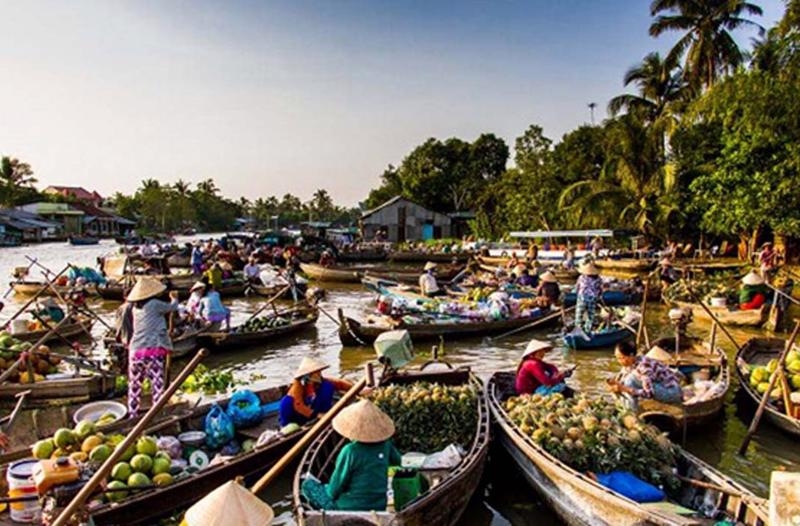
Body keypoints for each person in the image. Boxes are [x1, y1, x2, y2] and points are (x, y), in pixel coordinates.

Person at [301, 399, 401, 512]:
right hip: (380, 504)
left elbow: (333, 491)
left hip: (349, 507)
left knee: (307, 485)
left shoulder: (350, 451)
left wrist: (326, 488)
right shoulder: (385, 445)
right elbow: (397, 462)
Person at [126, 277, 179, 418]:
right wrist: (174, 298)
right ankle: (157, 415)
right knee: (157, 386)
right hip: (152, 351)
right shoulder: (154, 304)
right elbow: (173, 307)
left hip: (135, 351)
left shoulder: (135, 308)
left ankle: (133, 415)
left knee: (135, 386)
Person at [279, 357, 353, 427]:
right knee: (288, 402)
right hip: (296, 414)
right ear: (308, 375)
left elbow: (339, 383)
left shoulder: (319, 381)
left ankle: (324, 414)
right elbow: (299, 406)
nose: (319, 374)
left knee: (327, 386)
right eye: (316, 373)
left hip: (312, 407)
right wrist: (317, 415)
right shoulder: (298, 385)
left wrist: (355, 388)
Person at [608, 341, 683, 404]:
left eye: (621, 358)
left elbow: (649, 393)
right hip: (661, 386)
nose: (619, 361)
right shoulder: (633, 362)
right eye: (617, 358)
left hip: (672, 393)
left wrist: (624, 389)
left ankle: (632, 411)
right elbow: (623, 374)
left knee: (630, 380)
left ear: (631, 355)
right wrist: (616, 383)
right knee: (628, 380)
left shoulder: (644, 367)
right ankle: (630, 407)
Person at [574, 262, 602, 334]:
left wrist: (578, 294)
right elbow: (599, 290)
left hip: (582, 298)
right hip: (593, 298)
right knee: (590, 316)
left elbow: (577, 288)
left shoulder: (581, 277)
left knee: (579, 315)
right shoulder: (598, 279)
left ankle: (578, 329)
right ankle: (587, 330)